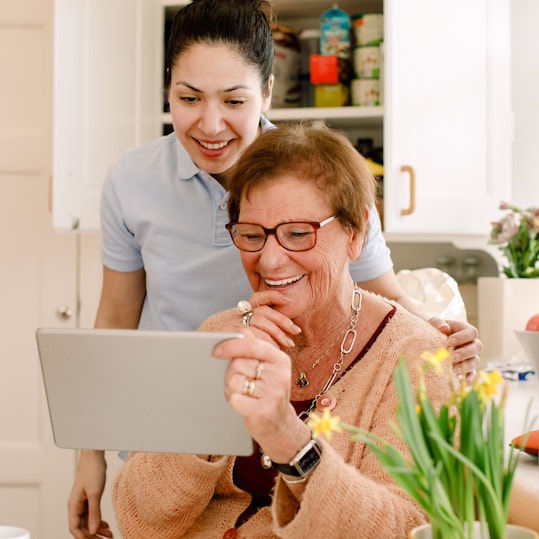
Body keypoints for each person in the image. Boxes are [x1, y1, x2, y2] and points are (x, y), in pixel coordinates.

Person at [67, 1, 482, 537]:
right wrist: (90, 453)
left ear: (265, 94)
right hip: (177, 427)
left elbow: (387, 310)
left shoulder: (329, 182)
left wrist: (441, 344)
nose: (209, 123)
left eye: (298, 232)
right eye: (188, 98)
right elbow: (116, 319)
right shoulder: (132, 181)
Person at [112, 123, 454, 538]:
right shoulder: (220, 335)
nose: (270, 261)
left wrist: (290, 440)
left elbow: (408, 529)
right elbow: (139, 518)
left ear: (356, 233)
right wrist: (209, 402)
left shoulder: (415, 361)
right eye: (253, 235)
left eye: (297, 234)